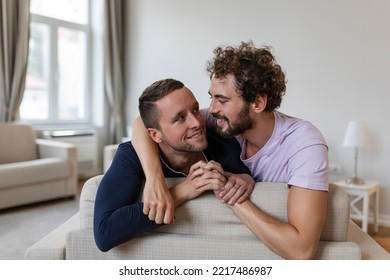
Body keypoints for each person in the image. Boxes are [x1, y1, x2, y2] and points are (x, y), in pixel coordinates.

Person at [131, 41, 329, 259]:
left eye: (222, 100)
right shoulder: (224, 122)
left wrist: (229, 193)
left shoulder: (304, 144)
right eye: (211, 97)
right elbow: (143, 123)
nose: (212, 109)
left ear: (257, 103)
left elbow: (302, 250)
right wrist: (154, 179)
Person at [93, 78, 253, 252]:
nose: (197, 123)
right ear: (155, 135)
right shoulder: (131, 156)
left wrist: (246, 178)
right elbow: (104, 234)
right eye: (180, 118)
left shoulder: (224, 143)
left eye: (195, 109)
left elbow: (250, 177)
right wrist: (183, 191)